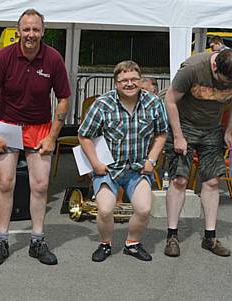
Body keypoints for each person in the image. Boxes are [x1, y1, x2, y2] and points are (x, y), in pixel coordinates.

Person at [0, 8, 71, 266]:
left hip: (39, 126)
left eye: (36, 29)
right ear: (18, 31)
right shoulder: (4, 57)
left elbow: (63, 98)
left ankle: (37, 240)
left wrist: (53, 136)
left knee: (40, 185)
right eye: (26, 29)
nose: (31, 34)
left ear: (43, 31)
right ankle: (2, 239)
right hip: (8, 125)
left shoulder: (53, 58)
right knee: (6, 183)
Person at [78, 60, 168, 262]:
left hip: (137, 169)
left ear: (140, 80)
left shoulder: (154, 103)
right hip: (108, 169)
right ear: (116, 83)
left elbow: (162, 134)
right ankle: (106, 243)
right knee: (105, 209)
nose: (129, 84)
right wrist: (95, 163)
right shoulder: (102, 104)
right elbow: (83, 135)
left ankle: (132, 243)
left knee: (144, 209)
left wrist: (151, 160)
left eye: (134, 79)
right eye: (124, 80)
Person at [163, 49, 232, 257]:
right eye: (222, 80)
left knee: (212, 182)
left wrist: (229, 130)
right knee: (179, 180)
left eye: (231, 82)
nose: (226, 85)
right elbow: (170, 100)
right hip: (184, 125)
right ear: (214, 67)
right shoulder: (192, 69)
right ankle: (172, 235)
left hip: (212, 129)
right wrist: (178, 136)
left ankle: (210, 237)